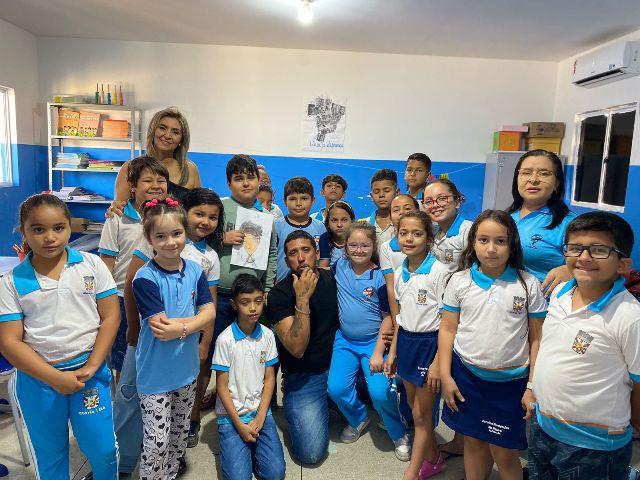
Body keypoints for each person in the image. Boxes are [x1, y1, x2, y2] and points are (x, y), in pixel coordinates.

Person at [0, 194, 120, 479]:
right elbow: (9, 342)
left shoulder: (91, 265)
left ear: (69, 226)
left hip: (89, 375)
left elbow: (110, 317)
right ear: (23, 231)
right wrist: (55, 378)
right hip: (39, 381)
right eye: (38, 229)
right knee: (51, 457)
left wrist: (92, 365)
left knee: (103, 449)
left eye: (58, 228)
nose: (49, 237)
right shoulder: (12, 282)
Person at [114, 189, 223, 472]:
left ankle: (170, 474)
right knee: (157, 442)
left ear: (185, 232)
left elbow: (210, 311)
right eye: (160, 236)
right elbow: (161, 328)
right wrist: (194, 323)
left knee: (178, 436)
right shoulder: (145, 278)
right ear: (149, 239)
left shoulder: (196, 271)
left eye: (176, 233)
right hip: (155, 375)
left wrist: (182, 327)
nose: (170, 242)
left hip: (186, 371)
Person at [529, 212, 640, 479]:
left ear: (623, 264)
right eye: (575, 248)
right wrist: (532, 389)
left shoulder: (629, 316)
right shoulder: (560, 293)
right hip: (543, 427)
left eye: (599, 250)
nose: (584, 257)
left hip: (594, 446)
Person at [439, 210, 546, 480]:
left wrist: (532, 386)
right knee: (473, 442)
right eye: (483, 240)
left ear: (512, 244)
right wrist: (446, 375)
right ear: (473, 242)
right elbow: (448, 330)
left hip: (511, 385)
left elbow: (537, 339)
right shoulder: (459, 281)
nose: (491, 249)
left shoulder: (528, 284)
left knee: (505, 452)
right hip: (467, 378)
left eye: (500, 241)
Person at [327, 222, 410, 460]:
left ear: (373, 245)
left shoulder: (380, 277)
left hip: (374, 343)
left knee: (381, 393)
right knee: (336, 388)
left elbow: (388, 318)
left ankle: (399, 432)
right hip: (345, 341)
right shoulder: (339, 266)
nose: (359, 250)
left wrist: (378, 352)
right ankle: (358, 417)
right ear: (345, 246)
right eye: (353, 245)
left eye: (364, 245)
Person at [266, 230, 339, 464]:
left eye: (306, 250)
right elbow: (296, 348)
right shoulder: (278, 294)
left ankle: (336, 400)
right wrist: (302, 299)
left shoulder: (333, 279)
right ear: (286, 260)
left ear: (316, 253)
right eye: (293, 253)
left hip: (340, 367)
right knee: (311, 454)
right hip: (305, 375)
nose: (300, 258)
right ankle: (317, 404)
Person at [385, 211, 448, 480]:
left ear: (429, 238)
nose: (409, 239)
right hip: (407, 343)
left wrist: (437, 362)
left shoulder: (440, 272)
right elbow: (400, 319)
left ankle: (412, 472)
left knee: (422, 417)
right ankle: (434, 458)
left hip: (429, 345)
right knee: (414, 408)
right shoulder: (400, 272)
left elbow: (448, 323)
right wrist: (393, 351)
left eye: (417, 234)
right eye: (404, 233)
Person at [98, 155, 169, 378]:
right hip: (121, 296)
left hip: (159, 296)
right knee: (124, 357)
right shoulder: (117, 218)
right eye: (148, 180)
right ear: (133, 186)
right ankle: (124, 396)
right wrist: (104, 302)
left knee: (155, 356)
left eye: (161, 181)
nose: (156, 186)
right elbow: (106, 264)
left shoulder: (169, 217)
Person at [212, 274, 286, 480]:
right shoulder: (225, 339)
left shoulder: (268, 335)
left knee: (275, 473)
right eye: (245, 302)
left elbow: (270, 379)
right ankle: (239, 447)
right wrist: (239, 425)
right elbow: (222, 387)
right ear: (234, 305)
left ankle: (251, 450)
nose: (253, 308)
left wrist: (261, 416)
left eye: (258, 301)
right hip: (231, 417)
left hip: (260, 413)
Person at [507, 149, 576, 294]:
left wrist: (571, 270)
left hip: (545, 303)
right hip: (503, 297)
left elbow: (597, 264)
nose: (533, 179)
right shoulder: (506, 217)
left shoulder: (570, 224)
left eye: (544, 173)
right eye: (526, 172)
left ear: (557, 183)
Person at [111, 107, 201, 211]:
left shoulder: (190, 169)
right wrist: (113, 208)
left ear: (182, 139)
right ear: (153, 131)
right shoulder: (129, 168)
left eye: (175, 132)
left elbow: (199, 210)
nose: (167, 135)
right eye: (162, 128)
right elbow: (119, 209)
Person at [275, 177, 327, 282]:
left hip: (313, 283)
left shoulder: (320, 227)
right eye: (292, 199)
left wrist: (320, 281)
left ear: (313, 200)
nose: (298, 203)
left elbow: (324, 259)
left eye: (304, 198)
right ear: (285, 201)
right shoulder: (276, 226)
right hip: (281, 284)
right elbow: (270, 257)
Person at [423, 179, 472, 275]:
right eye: (428, 201)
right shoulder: (431, 233)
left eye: (442, 198)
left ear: (457, 202)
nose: (435, 205)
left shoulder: (469, 231)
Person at [359, 169, 398, 248]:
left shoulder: (404, 224)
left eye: (386, 190)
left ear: (397, 192)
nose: (381, 195)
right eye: (376, 192)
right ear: (371, 196)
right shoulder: (363, 225)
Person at [318, 201, 355, 268]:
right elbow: (322, 269)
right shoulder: (323, 240)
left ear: (352, 222)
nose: (339, 225)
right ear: (328, 223)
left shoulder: (358, 241)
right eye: (334, 220)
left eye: (344, 220)